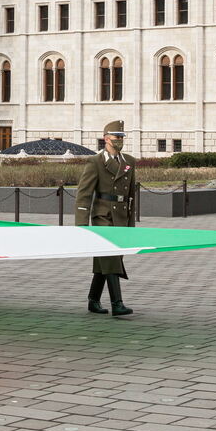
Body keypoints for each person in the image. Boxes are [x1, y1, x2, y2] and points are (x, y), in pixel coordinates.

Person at [74, 120, 136, 316]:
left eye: (122, 137)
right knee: (110, 256)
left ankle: (93, 300)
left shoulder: (128, 161)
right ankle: (117, 303)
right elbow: (84, 194)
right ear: (106, 138)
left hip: (121, 215)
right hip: (103, 214)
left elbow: (131, 195)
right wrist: (81, 225)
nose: (119, 140)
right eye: (116, 137)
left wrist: (131, 224)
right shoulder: (96, 162)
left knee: (107, 259)